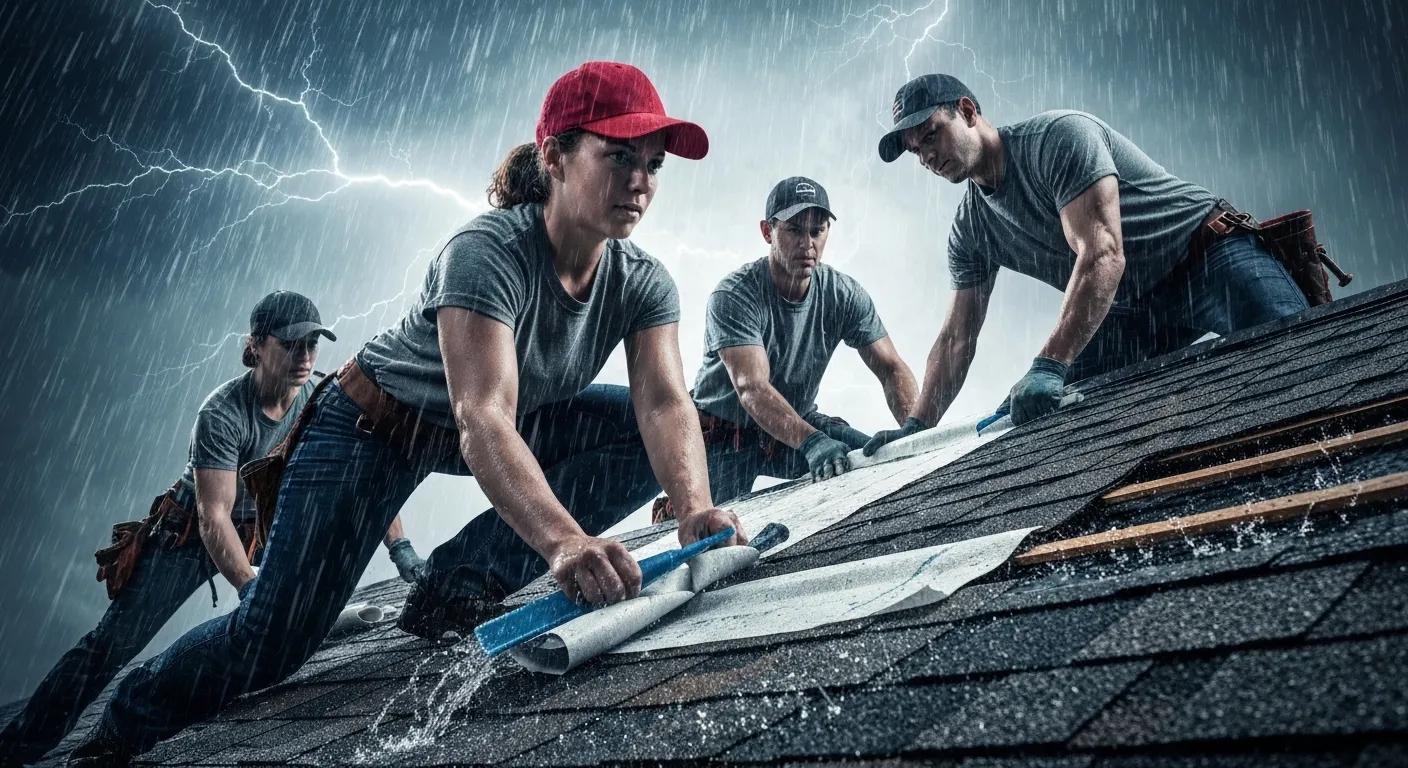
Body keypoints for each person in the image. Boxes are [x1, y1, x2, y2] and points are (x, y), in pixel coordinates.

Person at [70, 61, 743, 764]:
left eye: (653, 164)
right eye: (618, 156)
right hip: (371, 430)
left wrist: (694, 505)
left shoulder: (643, 282)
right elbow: (480, 416)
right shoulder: (484, 253)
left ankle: (456, 587)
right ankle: (125, 721)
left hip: (503, 423)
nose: (640, 181)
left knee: (640, 433)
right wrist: (566, 545)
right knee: (273, 641)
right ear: (555, 156)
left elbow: (664, 403)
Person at [0, 292, 421, 767]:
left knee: (303, 597)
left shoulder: (322, 400)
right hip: (187, 537)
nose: (305, 357)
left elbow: (358, 476)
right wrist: (249, 587)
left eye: (312, 345)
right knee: (110, 646)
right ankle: (18, 749)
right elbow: (212, 515)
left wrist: (401, 549)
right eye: (291, 345)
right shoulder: (221, 413)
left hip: (260, 527)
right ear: (257, 346)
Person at [864, 74, 1310, 453]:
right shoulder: (970, 230)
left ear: (967, 110)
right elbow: (956, 338)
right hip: (1132, 310)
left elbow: (1103, 254)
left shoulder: (1058, 139)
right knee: (1031, 416)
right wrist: (917, 429)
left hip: (1207, 259)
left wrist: (1048, 364)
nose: (925, 156)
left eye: (930, 135)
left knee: (1305, 366)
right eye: (914, 150)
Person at [667, 176, 916, 512]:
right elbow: (752, 387)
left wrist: (916, 431)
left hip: (796, 420)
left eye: (817, 231)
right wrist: (812, 441)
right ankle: (674, 512)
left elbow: (891, 367)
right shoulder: (734, 296)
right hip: (725, 435)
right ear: (768, 232)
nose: (808, 243)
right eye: (795, 230)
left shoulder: (843, 294)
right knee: (705, 526)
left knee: (871, 462)